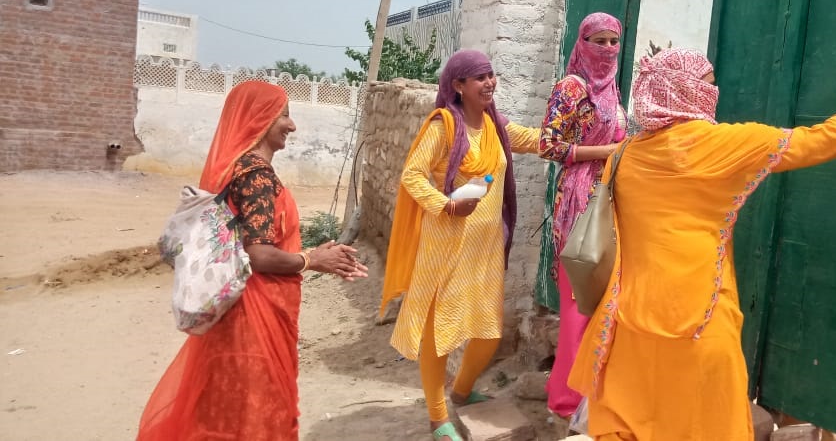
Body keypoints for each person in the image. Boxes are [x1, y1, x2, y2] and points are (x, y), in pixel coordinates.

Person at [568, 46, 836, 440]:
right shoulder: (723, 144)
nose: (714, 93)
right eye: (707, 85)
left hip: (627, 322)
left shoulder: (625, 153)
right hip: (699, 323)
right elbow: (828, 139)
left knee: (634, 423)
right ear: (687, 92)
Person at [138, 81, 368, 440]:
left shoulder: (235, 169)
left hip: (239, 311)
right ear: (259, 118)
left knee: (226, 407)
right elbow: (258, 254)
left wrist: (311, 254)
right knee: (256, 411)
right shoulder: (256, 174)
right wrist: (312, 259)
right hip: (252, 315)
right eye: (283, 115)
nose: (292, 125)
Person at [380, 49, 540, 441]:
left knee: (488, 331)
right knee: (440, 334)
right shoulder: (444, 126)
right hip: (447, 245)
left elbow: (532, 139)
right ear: (458, 85)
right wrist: (447, 205)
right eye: (479, 77)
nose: (489, 83)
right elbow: (412, 176)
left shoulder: (495, 124)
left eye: (491, 74)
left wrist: (577, 137)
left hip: (485, 249)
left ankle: (463, 392)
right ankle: (437, 418)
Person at [537, 12, 628, 419]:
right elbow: (548, 145)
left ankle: (582, 387)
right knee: (577, 297)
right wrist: (603, 153)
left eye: (613, 41)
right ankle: (566, 400)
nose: (607, 49)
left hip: (608, 198)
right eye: (599, 41)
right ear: (583, 43)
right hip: (578, 200)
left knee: (600, 297)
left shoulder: (612, 89)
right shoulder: (571, 87)